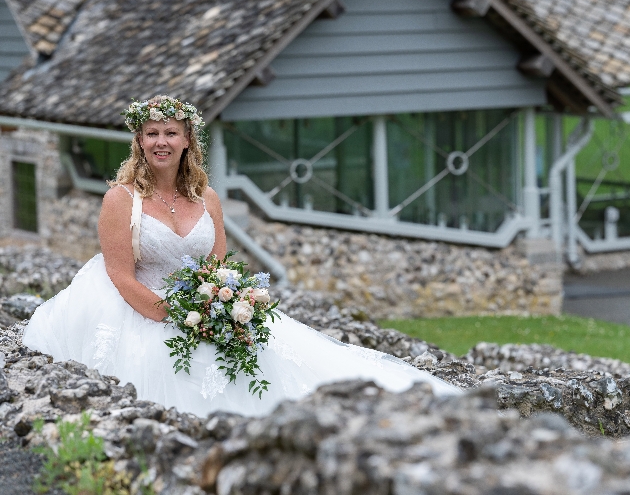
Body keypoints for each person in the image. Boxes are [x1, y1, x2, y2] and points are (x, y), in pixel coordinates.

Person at [23, 95, 460, 417]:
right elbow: (120, 276)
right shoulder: (120, 200)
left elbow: (217, 268)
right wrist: (175, 316)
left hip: (204, 307)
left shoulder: (207, 197)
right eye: (152, 133)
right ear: (139, 141)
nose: (161, 141)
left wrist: (222, 308)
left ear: (187, 140)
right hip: (140, 307)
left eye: (170, 133)